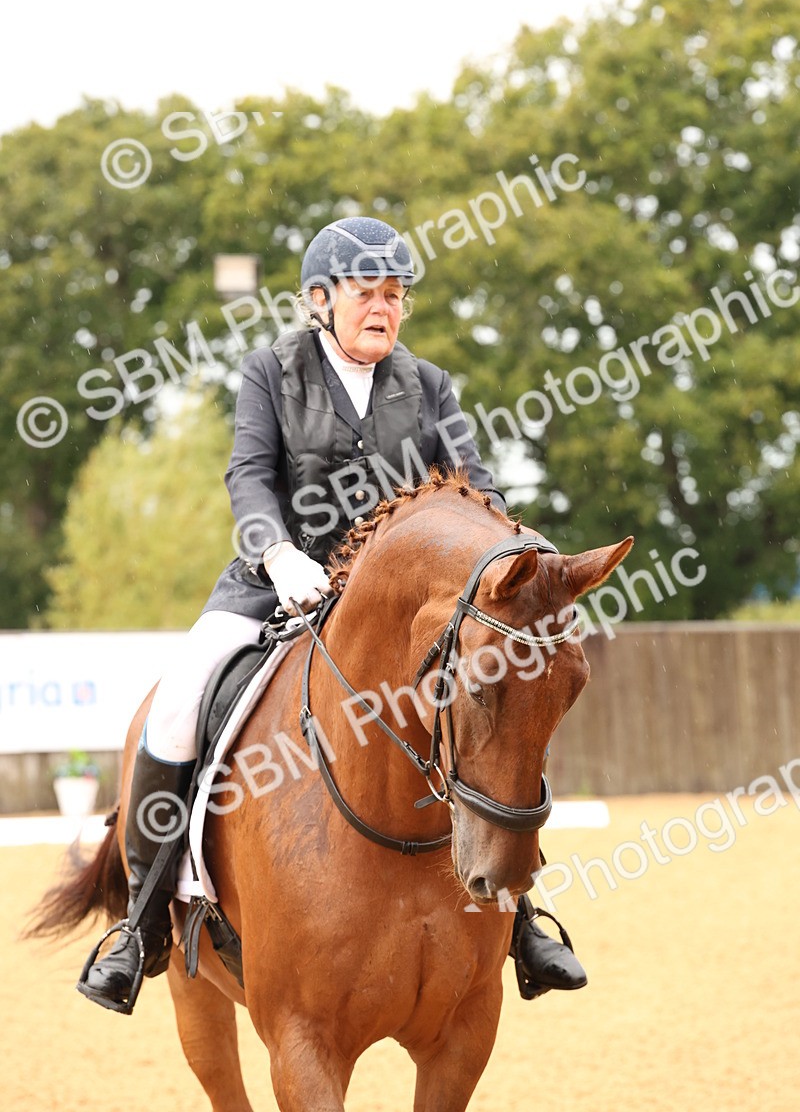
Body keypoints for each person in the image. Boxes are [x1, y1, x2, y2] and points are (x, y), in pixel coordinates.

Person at [79, 215, 586, 1012]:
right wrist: (279, 555)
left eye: (396, 295)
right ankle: (140, 923)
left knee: (494, 703)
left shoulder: (428, 385)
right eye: (367, 293)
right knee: (179, 704)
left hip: (395, 606)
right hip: (276, 583)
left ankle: (519, 917)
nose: (384, 307)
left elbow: (477, 489)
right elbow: (248, 477)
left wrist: (531, 553)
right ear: (321, 300)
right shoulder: (270, 372)